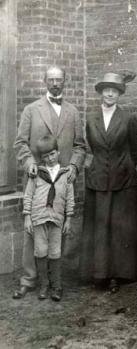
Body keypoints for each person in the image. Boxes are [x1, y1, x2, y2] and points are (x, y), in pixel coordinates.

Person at [13, 66, 85, 299]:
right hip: (39, 180)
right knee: (33, 231)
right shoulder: (31, 110)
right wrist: (28, 162)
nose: (55, 83)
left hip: (61, 182)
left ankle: (54, 282)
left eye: (59, 80)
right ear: (44, 81)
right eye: (51, 80)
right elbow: (20, 143)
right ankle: (29, 279)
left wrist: (74, 166)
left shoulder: (73, 112)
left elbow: (79, 146)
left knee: (57, 232)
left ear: (65, 81)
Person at [80, 72, 137, 292]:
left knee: (119, 228)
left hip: (123, 180)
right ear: (100, 92)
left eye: (115, 90)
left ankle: (118, 275)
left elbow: (134, 147)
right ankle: (99, 273)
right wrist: (96, 167)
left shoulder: (128, 118)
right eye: (106, 89)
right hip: (98, 177)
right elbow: (90, 145)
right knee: (101, 226)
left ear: (119, 94)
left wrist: (124, 167)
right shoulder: (91, 118)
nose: (110, 93)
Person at [22, 135, 74, 301]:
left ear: (57, 152)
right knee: (40, 251)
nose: (50, 158)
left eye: (52, 154)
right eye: (45, 156)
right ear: (42, 158)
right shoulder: (37, 173)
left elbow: (70, 199)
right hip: (39, 219)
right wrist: (28, 217)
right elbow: (28, 196)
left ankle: (56, 286)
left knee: (55, 252)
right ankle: (44, 285)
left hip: (57, 219)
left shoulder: (66, 174)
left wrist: (69, 219)